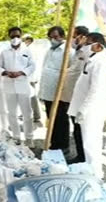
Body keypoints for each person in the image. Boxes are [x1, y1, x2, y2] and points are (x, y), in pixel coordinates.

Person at [68, 33, 106, 179]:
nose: (84, 47)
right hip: (88, 109)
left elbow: (96, 90)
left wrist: (83, 110)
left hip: (92, 111)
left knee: (91, 145)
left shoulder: (100, 63)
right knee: (88, 144)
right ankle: (91, 174)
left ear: (98, 46)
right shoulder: (92, 60)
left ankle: (96, 176)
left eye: (88, 44)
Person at [0, 27, 35, 147]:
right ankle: (16, 136)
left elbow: (32, 65)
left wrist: (21, 72)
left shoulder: (27, 51)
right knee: (11, 113)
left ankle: (29, 138)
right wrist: (5, 72)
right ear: (9, 37)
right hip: (9, 85)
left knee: (27, 113)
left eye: (17, 36)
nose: (15, 39)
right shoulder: (4, 52)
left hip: (23, 84)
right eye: (13, 36)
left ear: (21, 36)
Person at [39, 26, 73, 154]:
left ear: (62, 36)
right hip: (48, 91)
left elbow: (70, 72)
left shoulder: (68, 51)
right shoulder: (50, 50)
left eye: (56, 37)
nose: (53, 39)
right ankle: (54, 143)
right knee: (51, 118)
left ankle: (63, 145)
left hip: (60, 92)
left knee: (61, 120)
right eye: (51, 37)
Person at [60, 26, 89, 163]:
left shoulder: (87, 53)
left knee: (81, 129)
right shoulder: (77, 51)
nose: (71, 39)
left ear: (81, 36)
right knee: (76, 129)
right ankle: (80, 156)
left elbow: (76, 73)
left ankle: (83, 157)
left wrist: (64, 74)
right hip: (71, 97)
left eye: (73, 35)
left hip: (80, 98)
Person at [22, 34, 42, 126]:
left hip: (30, 77)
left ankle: (36, 115)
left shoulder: (30, 50)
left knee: (32, 97)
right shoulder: (30, 49)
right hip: (30, 76)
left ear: (28, 40)